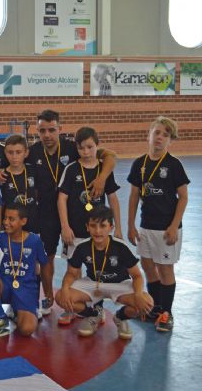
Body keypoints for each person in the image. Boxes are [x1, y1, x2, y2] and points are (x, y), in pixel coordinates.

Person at [26, 110, 116, 319]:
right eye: (42, 130)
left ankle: (87, 301)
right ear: (37, 131)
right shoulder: (33, 152)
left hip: (74, 214)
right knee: (46, 258)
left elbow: (110, 156)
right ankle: (48, 296)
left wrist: (102, 176)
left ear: (60, 129)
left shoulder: (73, 148)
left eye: (51, 130)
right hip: (46, 214)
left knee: (80, 260)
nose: (47, 134)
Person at [127, 116, 189, 332]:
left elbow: (183, 197)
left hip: (166, 229)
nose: (160, 137)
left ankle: (166, 313)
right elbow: (134, 197)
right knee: (147, 266)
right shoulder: (139, 164)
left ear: (170, 141)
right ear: (149, 135)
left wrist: (174, 226)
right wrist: (131, 225)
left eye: (165, 134)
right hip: (146, 226)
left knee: (165, 270)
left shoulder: (174, 165)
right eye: (157, 132)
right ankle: (155, 307)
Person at [55, 206, 154, 339]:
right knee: (61, 297)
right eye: (93, 226)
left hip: (119, 284)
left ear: (111, 228)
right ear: (87, 227)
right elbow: (71, 273)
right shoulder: (82, 247)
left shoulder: (121, 247)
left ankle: (120, 317)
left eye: (103, 226)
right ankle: (93, 314)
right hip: (93, 284)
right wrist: (65, 289)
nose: (98, 231)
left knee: (147, 303)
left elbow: (136, 275)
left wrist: (138, 295)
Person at [57, 126, 121, 325]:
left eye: (90, 147)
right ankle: (71, 307)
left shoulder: (104, 169)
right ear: (76, 148)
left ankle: (98, 308)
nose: (86, 152)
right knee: (73, 271)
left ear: (97, 146)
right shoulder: (72, 169)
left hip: (98, 233)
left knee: (97, 272)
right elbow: (62, 199)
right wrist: (65, 227)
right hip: (75, 231)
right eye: (82, 148)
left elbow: (113, 199)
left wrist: (117, 227)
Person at [0, 204, 49, 337]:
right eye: (5, 218)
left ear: (23, 221)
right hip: (3, 286)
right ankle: (1, 314)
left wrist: (49, 292)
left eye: (11, 219)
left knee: (27, 329)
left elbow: (45, 265)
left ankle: (18, 311)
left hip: (25, 287)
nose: (6, 222)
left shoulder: (35, 241)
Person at [0, 134, 40, 234]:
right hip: (11, 227)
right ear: (5, 153)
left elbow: (37, 193)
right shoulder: (2, 176)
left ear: (26, 153)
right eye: (10, 152)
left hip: (33, 224)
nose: (14, 157)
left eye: (18, 152)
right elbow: (0, 204)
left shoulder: (32, 170)